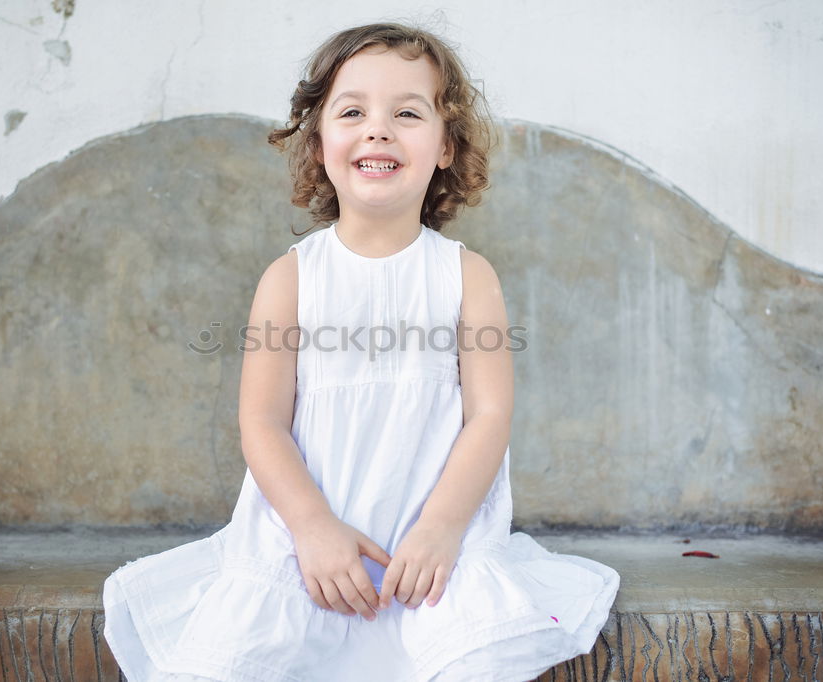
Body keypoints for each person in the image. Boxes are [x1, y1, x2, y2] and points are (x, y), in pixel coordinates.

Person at [102, 21, 621, 682]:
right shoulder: (290, 279)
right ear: (319, 143)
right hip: (305, 541)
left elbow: (489, 416)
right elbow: (262, 421)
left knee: (461, 660)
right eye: (353, 112)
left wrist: (441, 528)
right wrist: (313, 528)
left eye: (407, 112)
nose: (378, 129)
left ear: (445, 145)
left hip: (429, 548)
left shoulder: (467, 277)